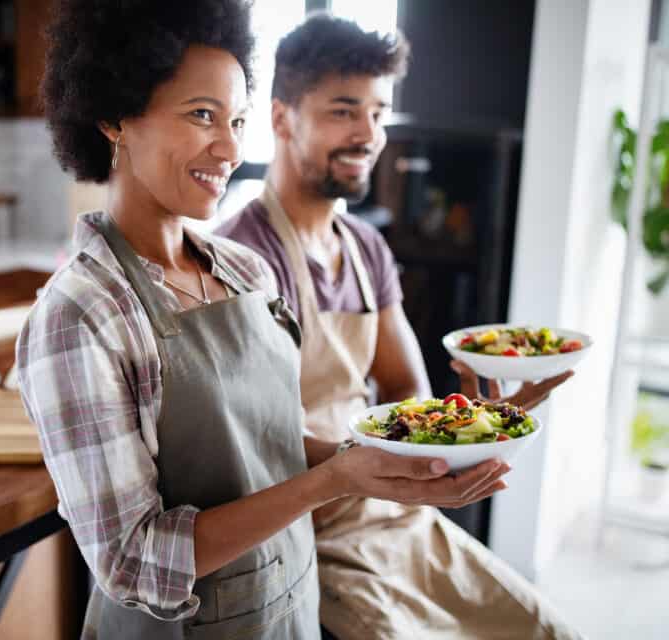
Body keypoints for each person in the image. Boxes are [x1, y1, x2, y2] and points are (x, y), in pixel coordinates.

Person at [17, 2, 511, 638]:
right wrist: (333, 480)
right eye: (202, 115)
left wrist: (381, 464)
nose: (229, 147)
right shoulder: (79, 315)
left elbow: (269, 441)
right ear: (114, 117)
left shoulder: (245, 272)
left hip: (289, 605)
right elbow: (132, 562)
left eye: (238, 119)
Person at [218, 13, 581, 640]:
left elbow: (403, 392)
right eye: (343, 110)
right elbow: (260, 435)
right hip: (308, 530)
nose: (368, 133)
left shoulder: (365, 249)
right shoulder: (242, 257)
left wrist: (474, 423)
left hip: (392, 513)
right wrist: (388, 463)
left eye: (379, 113)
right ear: (281, 118)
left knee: (546, 629)